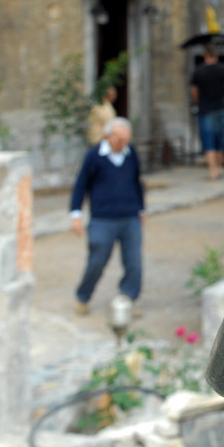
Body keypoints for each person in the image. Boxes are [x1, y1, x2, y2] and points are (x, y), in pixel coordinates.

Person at [70, 117, 145, 316]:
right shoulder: (94, 156)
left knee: (134, 262)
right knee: (97, 260)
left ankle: (128, 298)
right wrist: (75, 214)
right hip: (102, 219)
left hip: (130, 217)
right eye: (119, 140)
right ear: (107, 136)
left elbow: (137, 182)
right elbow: (80, 186)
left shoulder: (131, 154)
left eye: (126, 140)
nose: (123, 144)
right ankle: (83, 296)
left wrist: (141, 209)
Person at [190, 43, 224, 180]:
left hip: (206, 109)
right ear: (216, 55)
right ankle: (219, 169)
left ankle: (212, 171)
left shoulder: (199, 71)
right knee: (219, 139)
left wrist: (197, 103)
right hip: (220, 107)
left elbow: (194, 91)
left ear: (205, 55)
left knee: (208, 141)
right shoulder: (223, 69)